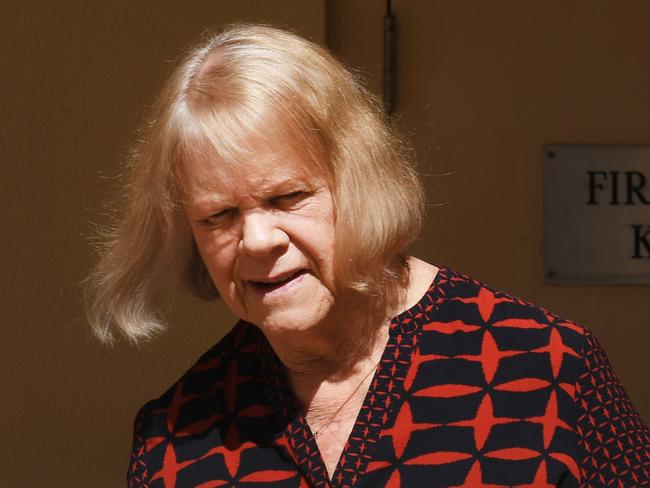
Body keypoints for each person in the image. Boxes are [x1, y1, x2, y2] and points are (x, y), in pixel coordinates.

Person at [86, 25, 650, 487]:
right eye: (219, 216)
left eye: (287, 197)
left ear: (360, 182)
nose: (257, 241)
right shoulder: (176, 439)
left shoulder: (547, 366)